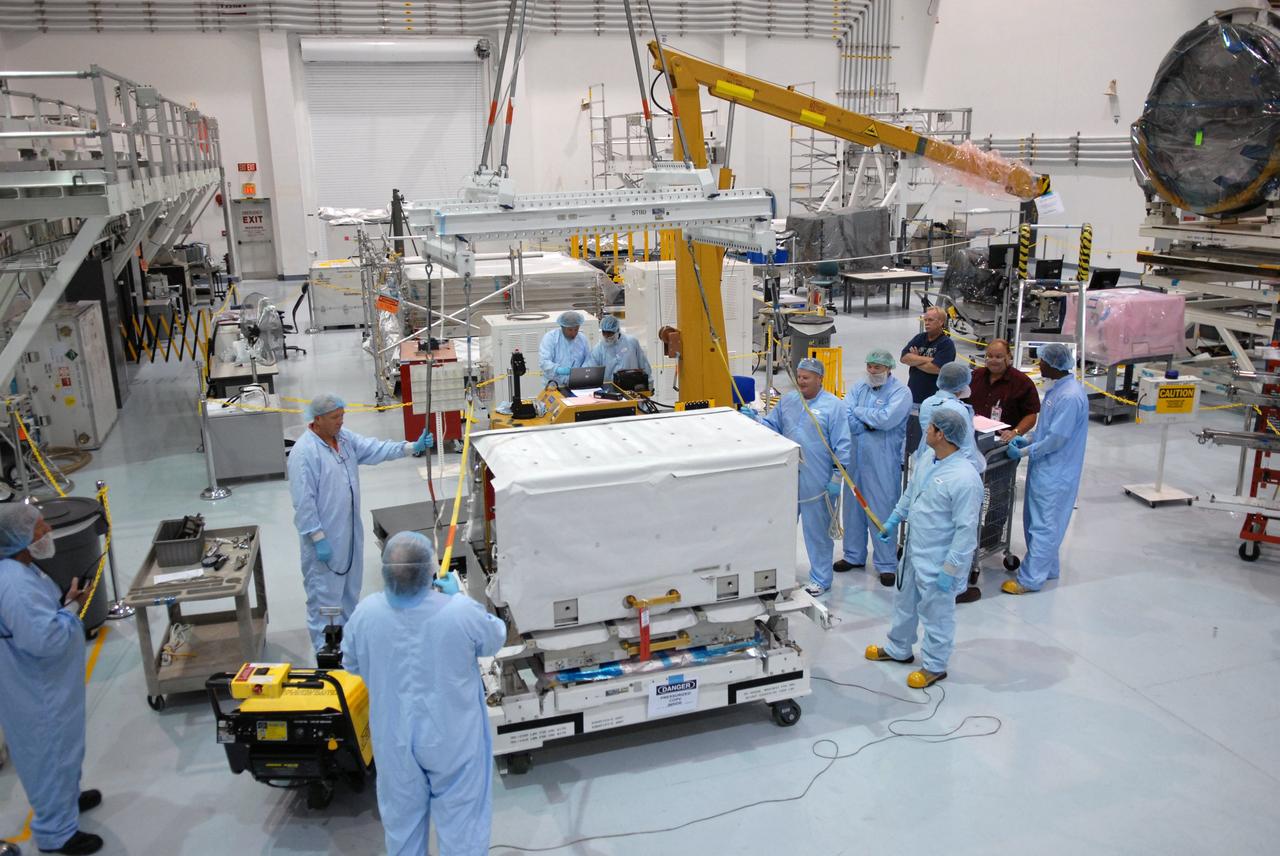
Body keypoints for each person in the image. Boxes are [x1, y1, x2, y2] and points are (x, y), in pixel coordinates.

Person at [342, 532, 507, 856]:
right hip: (453, 739)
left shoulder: (366, 614)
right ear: (429, 570)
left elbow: (352, 663)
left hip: (395, 739)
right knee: (463, 826)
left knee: (402, 827)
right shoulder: (458, 612)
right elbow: (494, 638)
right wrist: (459, 596)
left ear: (386, 570)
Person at [288, 393, 434, 651]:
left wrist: (411, 446)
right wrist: (317, 537)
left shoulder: (343, 440)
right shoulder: (304, 453)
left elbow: (375, 449)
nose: (340, 422)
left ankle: (348, 645)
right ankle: (326, 653)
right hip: (324, 540)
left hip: (350, 533)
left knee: (349, 593)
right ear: (317, 420)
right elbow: (304, 502)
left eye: (342, 417)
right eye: (335, 418)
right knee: (325, 599)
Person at [0, 504, 103, 855]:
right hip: (37, 691)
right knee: (50, 755)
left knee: (64, 748)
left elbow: (38, 619)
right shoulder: (14, 583)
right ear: (19, 541)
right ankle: (56, 833)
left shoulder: (23, 569)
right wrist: (73, 610)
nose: (48, 534)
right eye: (40, 530)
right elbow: (43, 640)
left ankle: (67, 801)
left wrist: (65, 603)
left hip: (47, 685)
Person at [864, 408, 983, 689]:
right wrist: (894, 519)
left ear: (941, 434)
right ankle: (898, 648)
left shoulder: (964, 478)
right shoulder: (929, 458)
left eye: (930, 427)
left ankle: (935, 665)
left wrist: (950, 570)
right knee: (904, 603)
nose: (925, 430)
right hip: (914, 550)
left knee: (936, 614)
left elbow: (966, 532)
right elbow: (912, 492)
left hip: (940, 559)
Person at [760, 357, 852, 597]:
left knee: (817, 531)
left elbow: (843, 444)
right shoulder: (789, 401)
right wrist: (755, 419)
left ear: (820, 378)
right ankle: (780, 574)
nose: (801, 382)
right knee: (781, 527)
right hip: (789, 476)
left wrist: (836, 477)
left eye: (806, 377)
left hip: (818, 479)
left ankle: (821, 578)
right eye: (799, 377)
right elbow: (773, 426)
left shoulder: (834, 407)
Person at [1002, 342, 1088, 595]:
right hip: (1047, 467)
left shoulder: (1070, 396)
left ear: (1054, 364)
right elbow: (1045, 431)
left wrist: (1026, 451)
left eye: (1041, 361)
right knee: (1037, 521)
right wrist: (1027, 439)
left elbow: (1057, 439)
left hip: (1057, 471)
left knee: (1044, 524)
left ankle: (1030, 580)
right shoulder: (1057, 390)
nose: (1038, 364)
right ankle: (1048, 568)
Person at [835, 349, 913, 588]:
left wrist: (862, 415)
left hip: (883, 459)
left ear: (889, 368)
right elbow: (845, 413)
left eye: (877, 367)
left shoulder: (901, 392)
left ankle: (887, 563)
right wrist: (869, 420)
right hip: (855, 457)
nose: (872, 371)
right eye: (869, 366)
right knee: (853, 507)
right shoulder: (859, 387)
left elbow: (887, 419)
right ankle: (853, 555)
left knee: (881, 509)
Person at [918, 361, 985, 476]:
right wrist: (973, 471)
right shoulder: (958, 409)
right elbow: (966, 446)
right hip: (950, 468)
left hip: (928, 461)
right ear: (961, 386)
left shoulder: (927, 402)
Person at [967, 338, 1040, 443]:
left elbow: (1031, 415)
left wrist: (1015, 432)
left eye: (998, 357)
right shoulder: (975, 376)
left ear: (1008, 357)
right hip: (972, 437)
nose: (993, 360)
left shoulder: (1022, 382)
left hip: (1002, 441)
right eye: (990, 356)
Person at [899, 307, 957, 404]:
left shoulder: (946, 344)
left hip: (935, 398)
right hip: (914, 394)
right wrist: (929, 359)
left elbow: (936, 368)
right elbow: (904, 358)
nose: (926, 323)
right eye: (925, 320)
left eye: (930, 320)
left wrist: (914, 361)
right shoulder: (919, 338)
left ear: (941, 322)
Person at [588, 314, 652, 383]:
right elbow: (592, 373)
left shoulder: (631, 342)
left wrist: (648, 382)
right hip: (610, 390)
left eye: (610, 333)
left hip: (632, 387)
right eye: (604, 332)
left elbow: (644, 365)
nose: (607, 336)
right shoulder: (598, 350)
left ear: (617, 330)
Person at [538, 310, 590, 385]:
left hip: (575, 383)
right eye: (570, 330)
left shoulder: (582, 339)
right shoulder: (551, 338)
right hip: (554, 385)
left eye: (576, 329)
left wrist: (580, 373)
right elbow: (544, 362)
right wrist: (559, 370)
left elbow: (588, 360)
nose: (573, 333)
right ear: (562, 327)